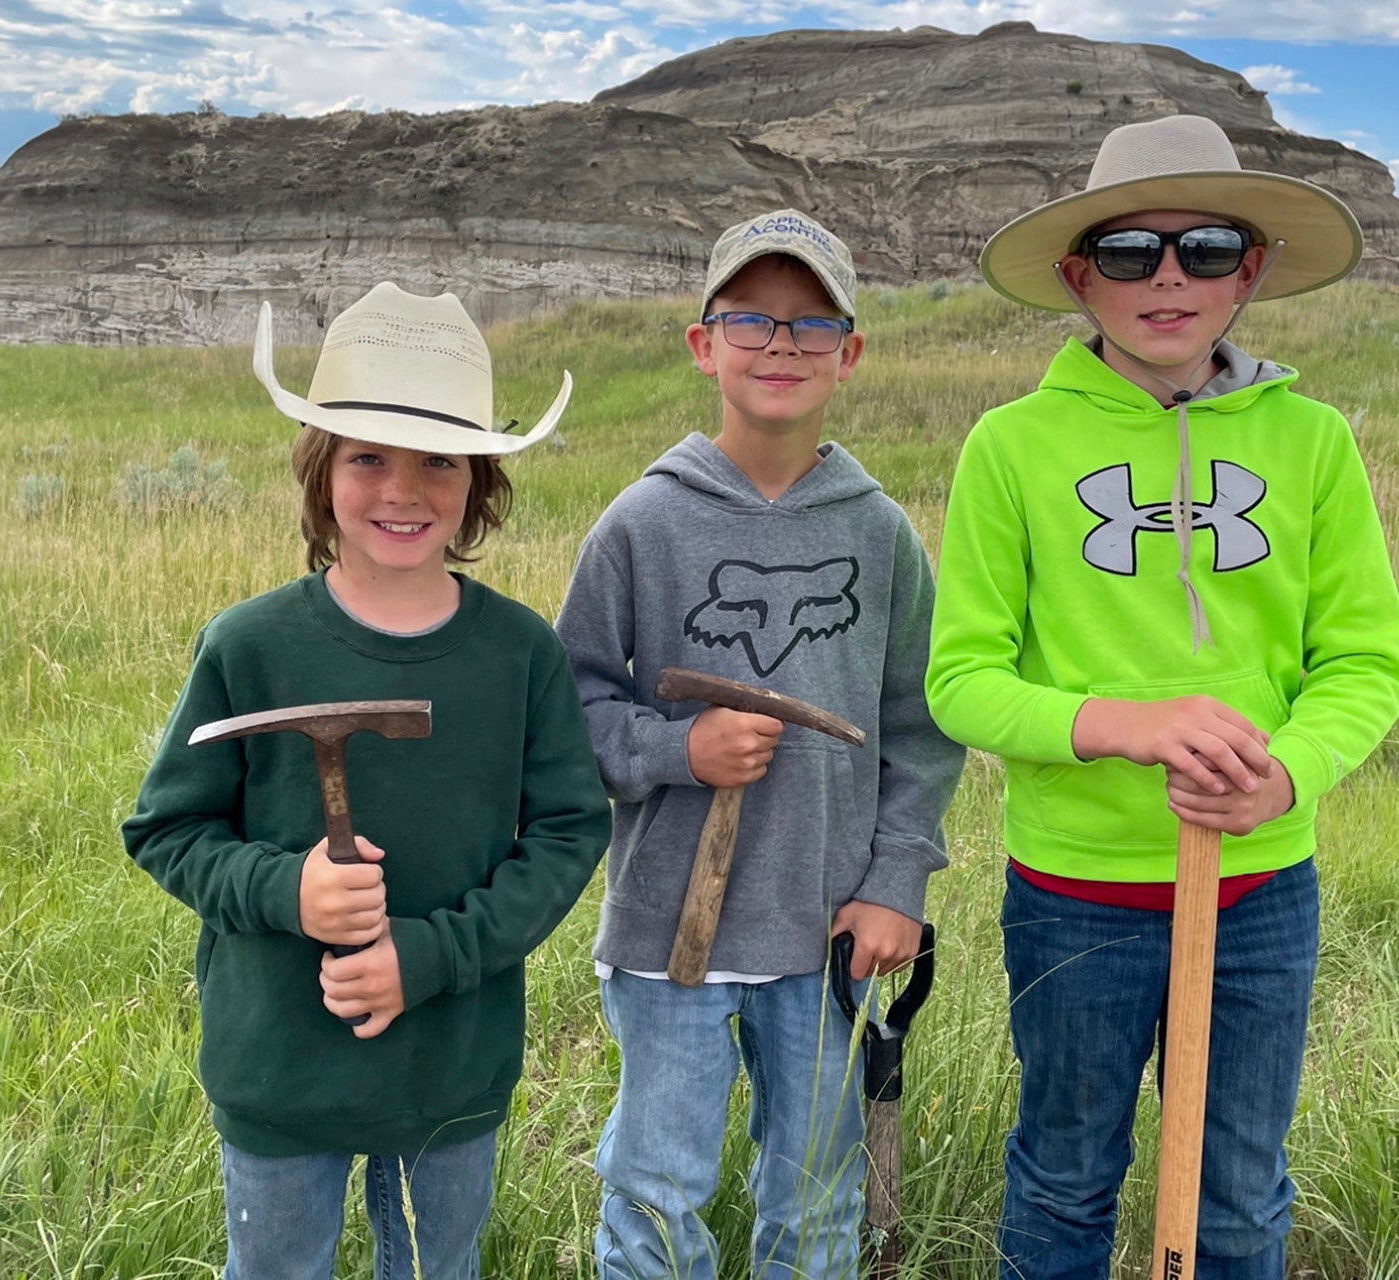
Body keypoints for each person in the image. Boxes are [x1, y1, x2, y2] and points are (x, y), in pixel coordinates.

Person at [925, 115, 1399, 1280]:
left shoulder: (1312, 442)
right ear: (1074, 275)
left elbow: (1363, 661)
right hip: (1074, 893)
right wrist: (1120, 725)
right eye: (1129, 252)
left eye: (1201, 249)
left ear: (1247, 271)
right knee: (1061, 1178)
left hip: (1258, 892)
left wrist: (1285, 771)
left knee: (1238, 1192)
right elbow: (961, 680)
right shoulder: (1010, 447)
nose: (1165, 279)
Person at [121, 282, 611, 1280]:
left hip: (448, 1064)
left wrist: (429, 955)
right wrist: (282, 888)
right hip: (280, 1063)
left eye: (440, 459)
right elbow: (167, 829)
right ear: (320, 469)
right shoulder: (251, 645)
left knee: (436, 1264)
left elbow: (567, 831)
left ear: (479, 478)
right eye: (367, 456)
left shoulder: (518, 654)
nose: (404, 489)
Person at [555, 209, 966, 1279]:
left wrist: (895, 881)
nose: (779, 344)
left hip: (824, 931)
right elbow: (571, 714)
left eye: (808, 322)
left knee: (816, 1195)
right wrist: (673, 751)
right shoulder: (640, 525)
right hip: (667, 935)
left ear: (848, 351)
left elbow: (920, 728)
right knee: (656, 1189)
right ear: (703, 343)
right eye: (750, 319)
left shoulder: (875, 533)